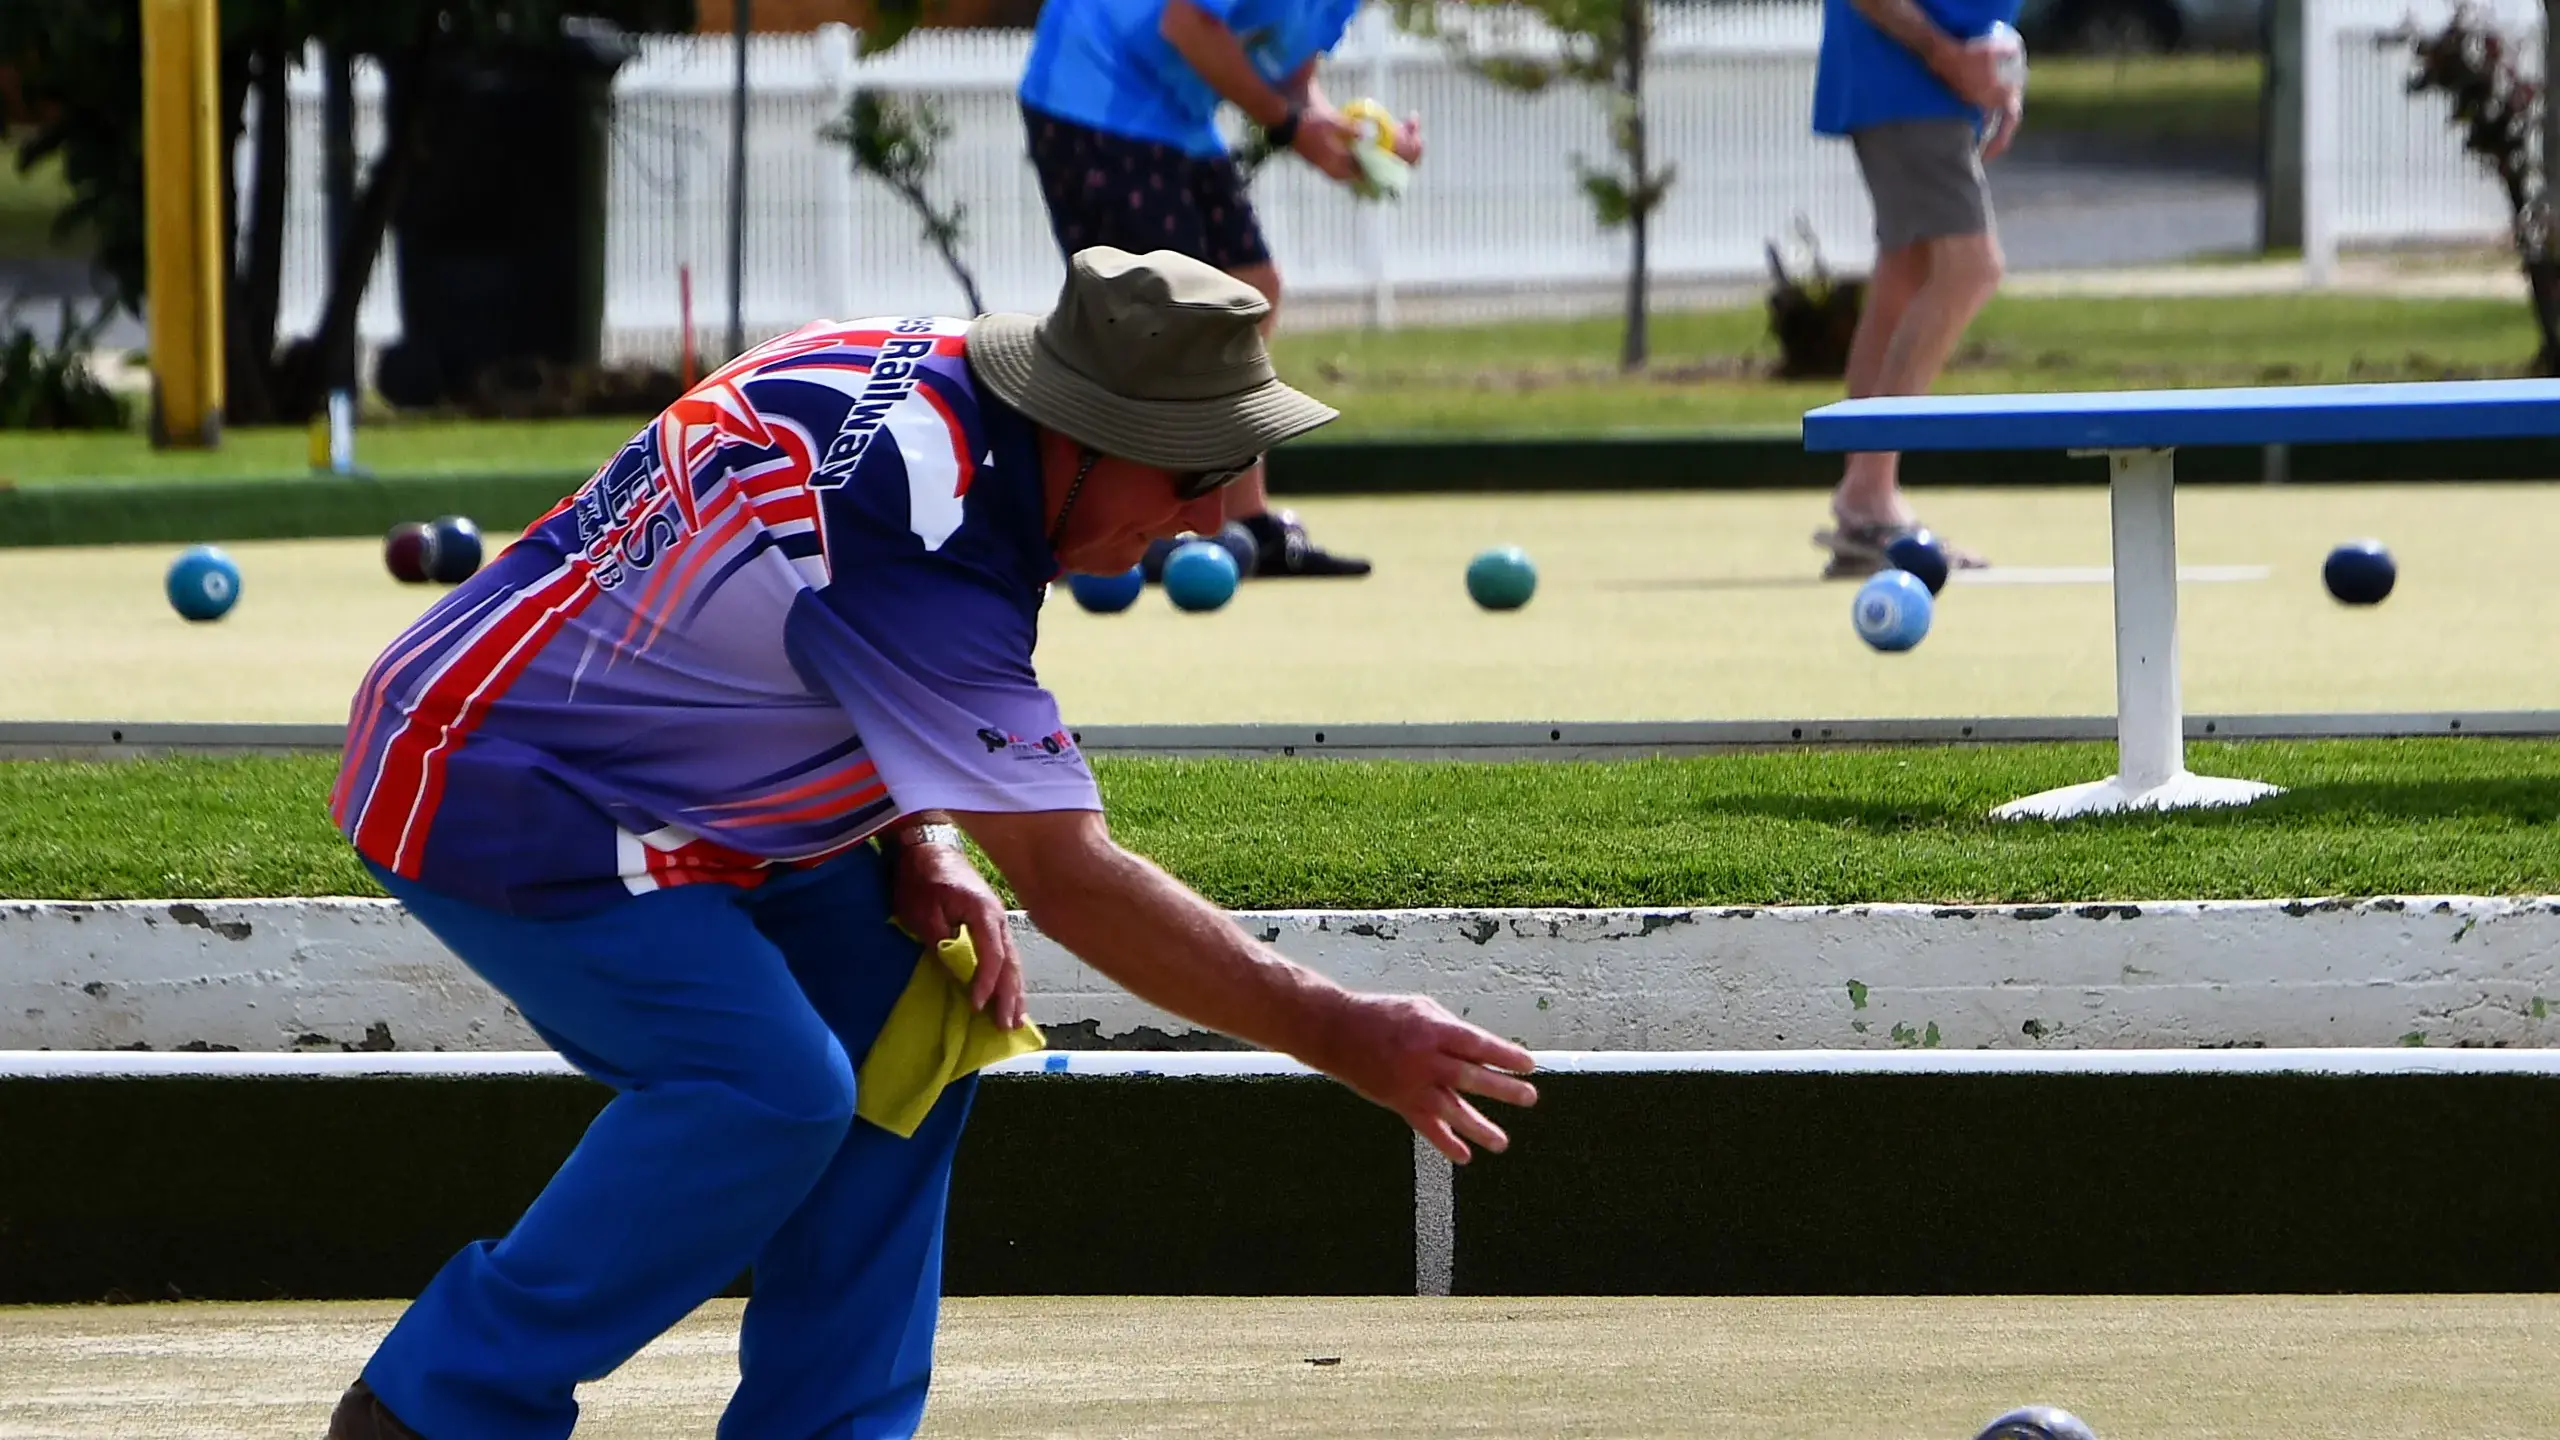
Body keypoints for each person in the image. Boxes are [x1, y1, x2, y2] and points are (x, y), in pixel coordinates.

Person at [322, 246, 1537, 1440]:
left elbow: (791, 621)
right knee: (767, 1089)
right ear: (1087, 427)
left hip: (693, 792)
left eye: (1238, 466)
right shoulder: (925, 529)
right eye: (1189, 473)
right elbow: (1069, 880)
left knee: (913, 1029)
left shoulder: (944, 389)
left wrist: (924, 835)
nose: (1208, 520)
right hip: (498, 778)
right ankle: (440, 1410)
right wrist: (1340, 1030)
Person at [1016, 0, 1423, 579]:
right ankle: (1123, 524)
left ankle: (1245, 519)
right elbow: (1185, 23)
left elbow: (1291, 82)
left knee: (1250, 287)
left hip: (1178, 113)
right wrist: (1289, 127)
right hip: (1090, 88)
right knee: (1162, 314)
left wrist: (1347, 140)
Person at [1809, 0, 2025, 578]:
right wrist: (1945, 54)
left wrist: (2003, 71)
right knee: (1969, 268)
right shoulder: (1929, 61)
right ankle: (1868, 496)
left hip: (1927, 82)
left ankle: (1866, 511)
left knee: (1907, 275)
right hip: (1910, 77)